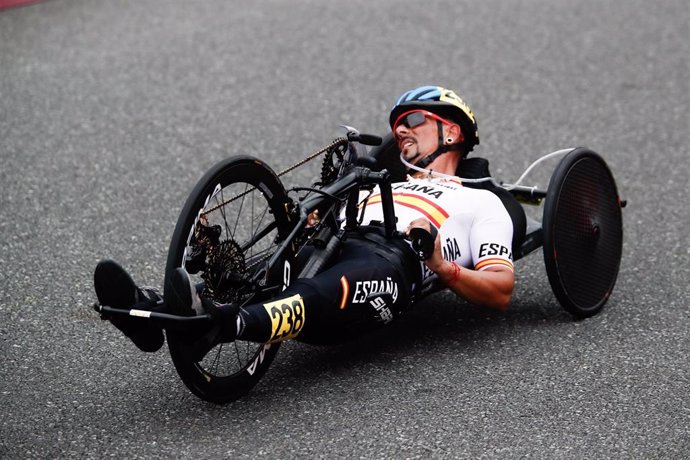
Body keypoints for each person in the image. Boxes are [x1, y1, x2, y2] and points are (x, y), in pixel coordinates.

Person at [94, 85, 515, 356]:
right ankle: (149, 314)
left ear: (454, 133)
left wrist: (441, 265)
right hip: (339, 239)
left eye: (416, 121)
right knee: (267, 267)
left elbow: (500, 290)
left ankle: (227, 325)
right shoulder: (378, 184)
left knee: (323, 287)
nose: (402, 131)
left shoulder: (483, 202)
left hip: (392, 264)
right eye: (397, 125)